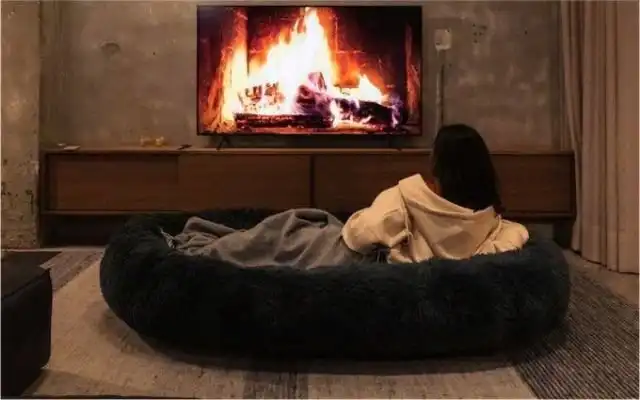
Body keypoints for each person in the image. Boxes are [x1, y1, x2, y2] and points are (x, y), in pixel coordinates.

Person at [342, 124, 529, 263]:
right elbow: (515, 236)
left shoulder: (405, 197)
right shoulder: (494, 225)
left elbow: (358, 235)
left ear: (436, 164)